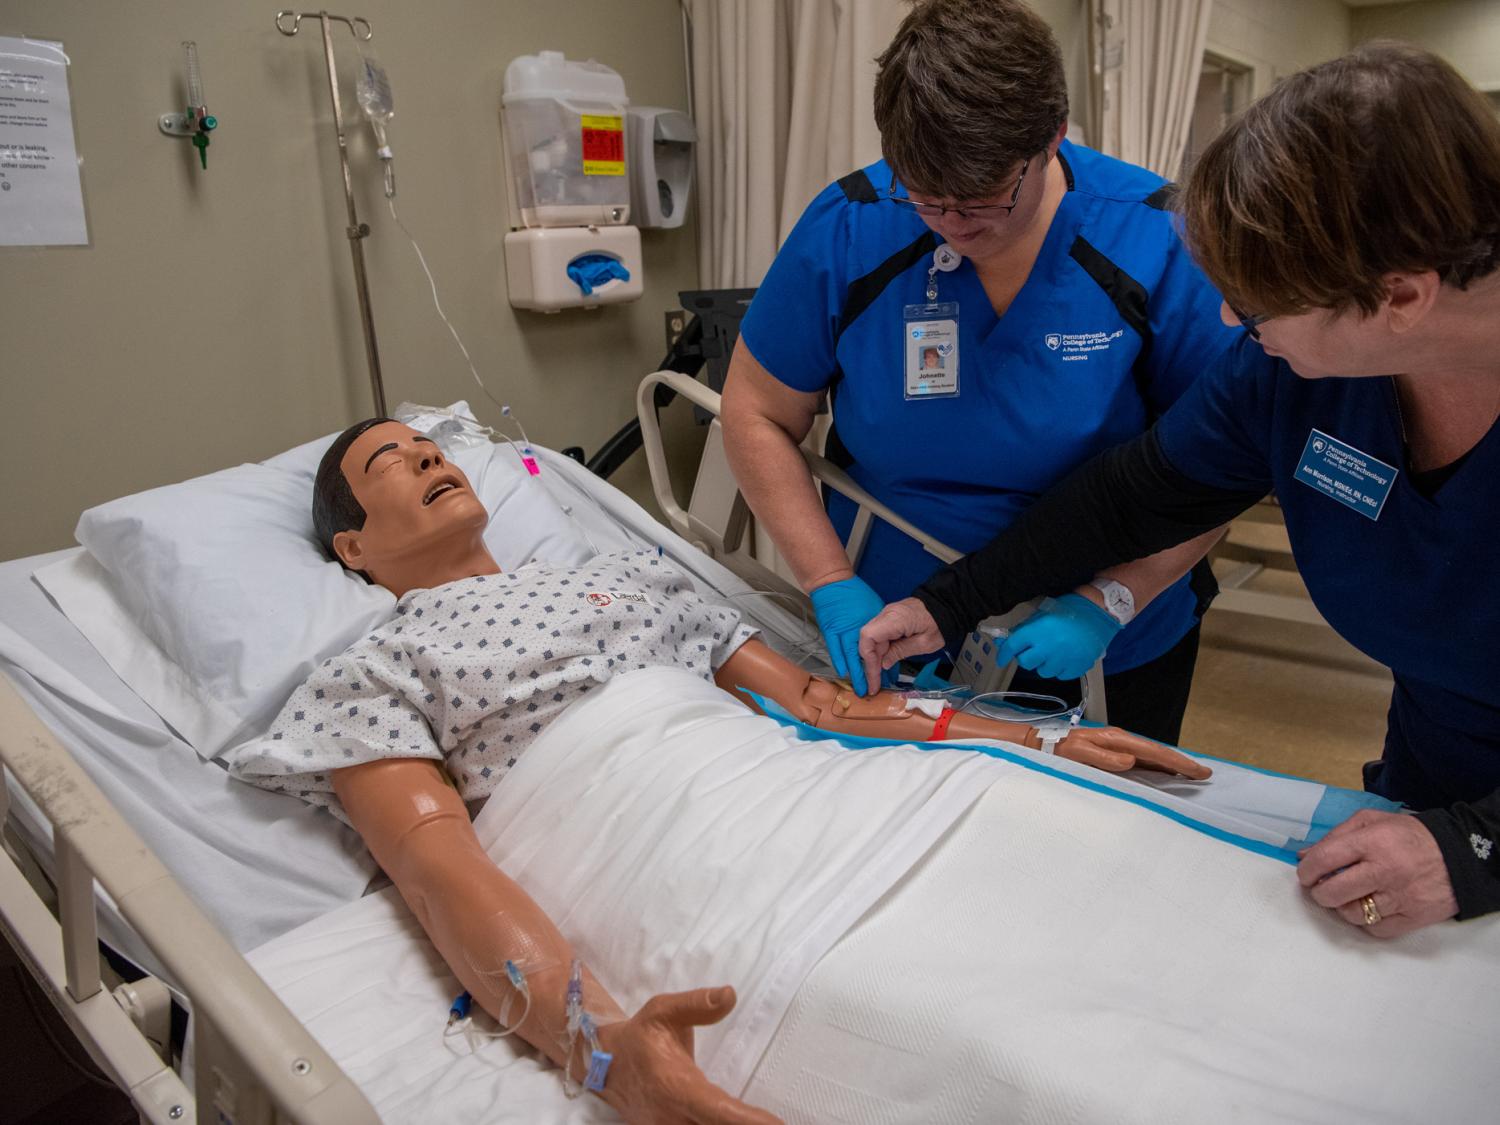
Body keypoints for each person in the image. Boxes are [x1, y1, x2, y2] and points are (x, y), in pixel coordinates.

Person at [224, 420, 1207, 1125]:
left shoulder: (625, 578)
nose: (427, 456)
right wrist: (600, 1052)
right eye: (390, 462)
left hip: (796, 784)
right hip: (663, 845)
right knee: (1003, 1038)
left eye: (429, 445)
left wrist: (1019, 740)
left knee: (1087, 886)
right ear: (351, 547)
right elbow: (443, 876)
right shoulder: (369, 674)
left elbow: (819, 705)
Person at [858, 42, 1500, 939]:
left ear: (1400, 297)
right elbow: (1135, 494)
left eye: (1262, 307)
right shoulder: (1298, 375)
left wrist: (1477, 845)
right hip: (1431, 766)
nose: (1235, 323)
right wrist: (950, 601)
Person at [720, 0, 1237, 744]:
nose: (953, 224)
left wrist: (1115, 597)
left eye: (985, 198)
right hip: (897, 634)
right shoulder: (852, 225)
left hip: (1101, 637)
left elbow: (1224, 459)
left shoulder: (1153, 237)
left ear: (1053, 136)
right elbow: (755, 411)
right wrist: (830, 582)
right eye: (926, 197)